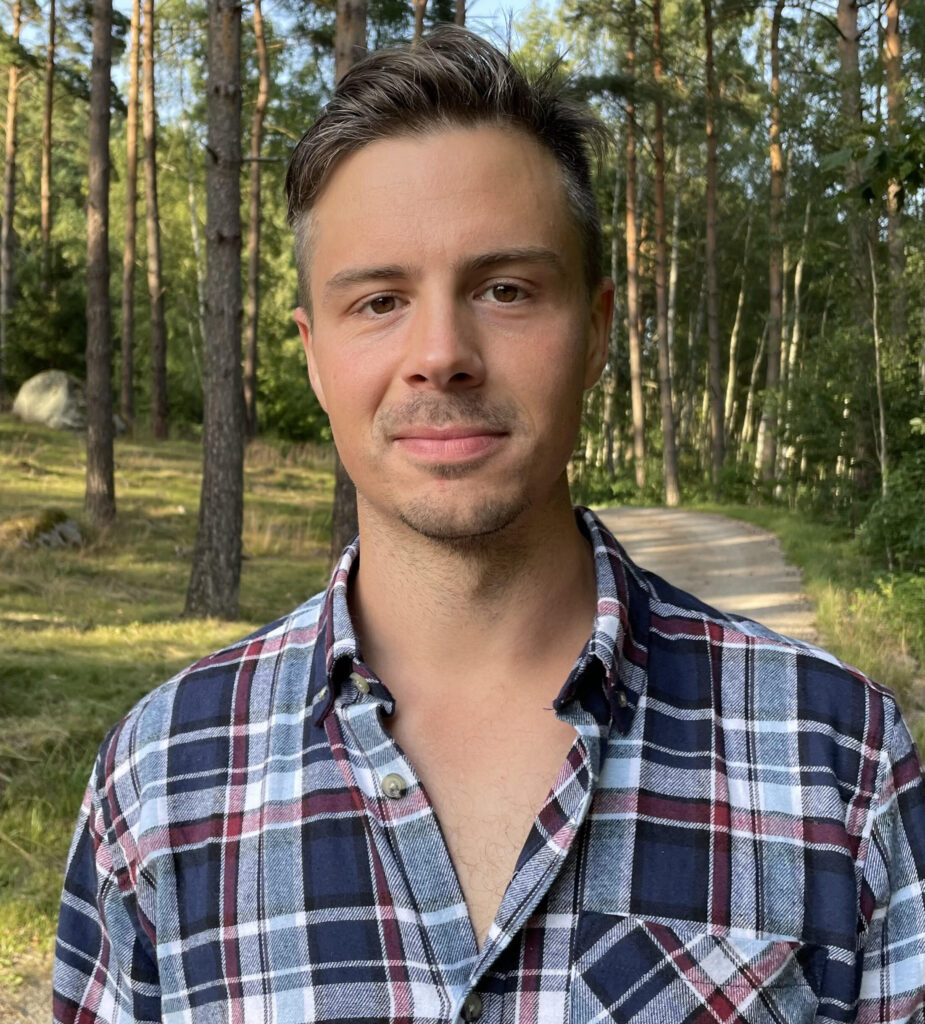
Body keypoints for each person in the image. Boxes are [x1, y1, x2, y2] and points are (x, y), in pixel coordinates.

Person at [54, 27, 925, 1024]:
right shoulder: (162, 780)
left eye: (506, 290)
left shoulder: (834, 755)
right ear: (313, 354)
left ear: (596, 329)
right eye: (378, 300)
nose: (441, 353)